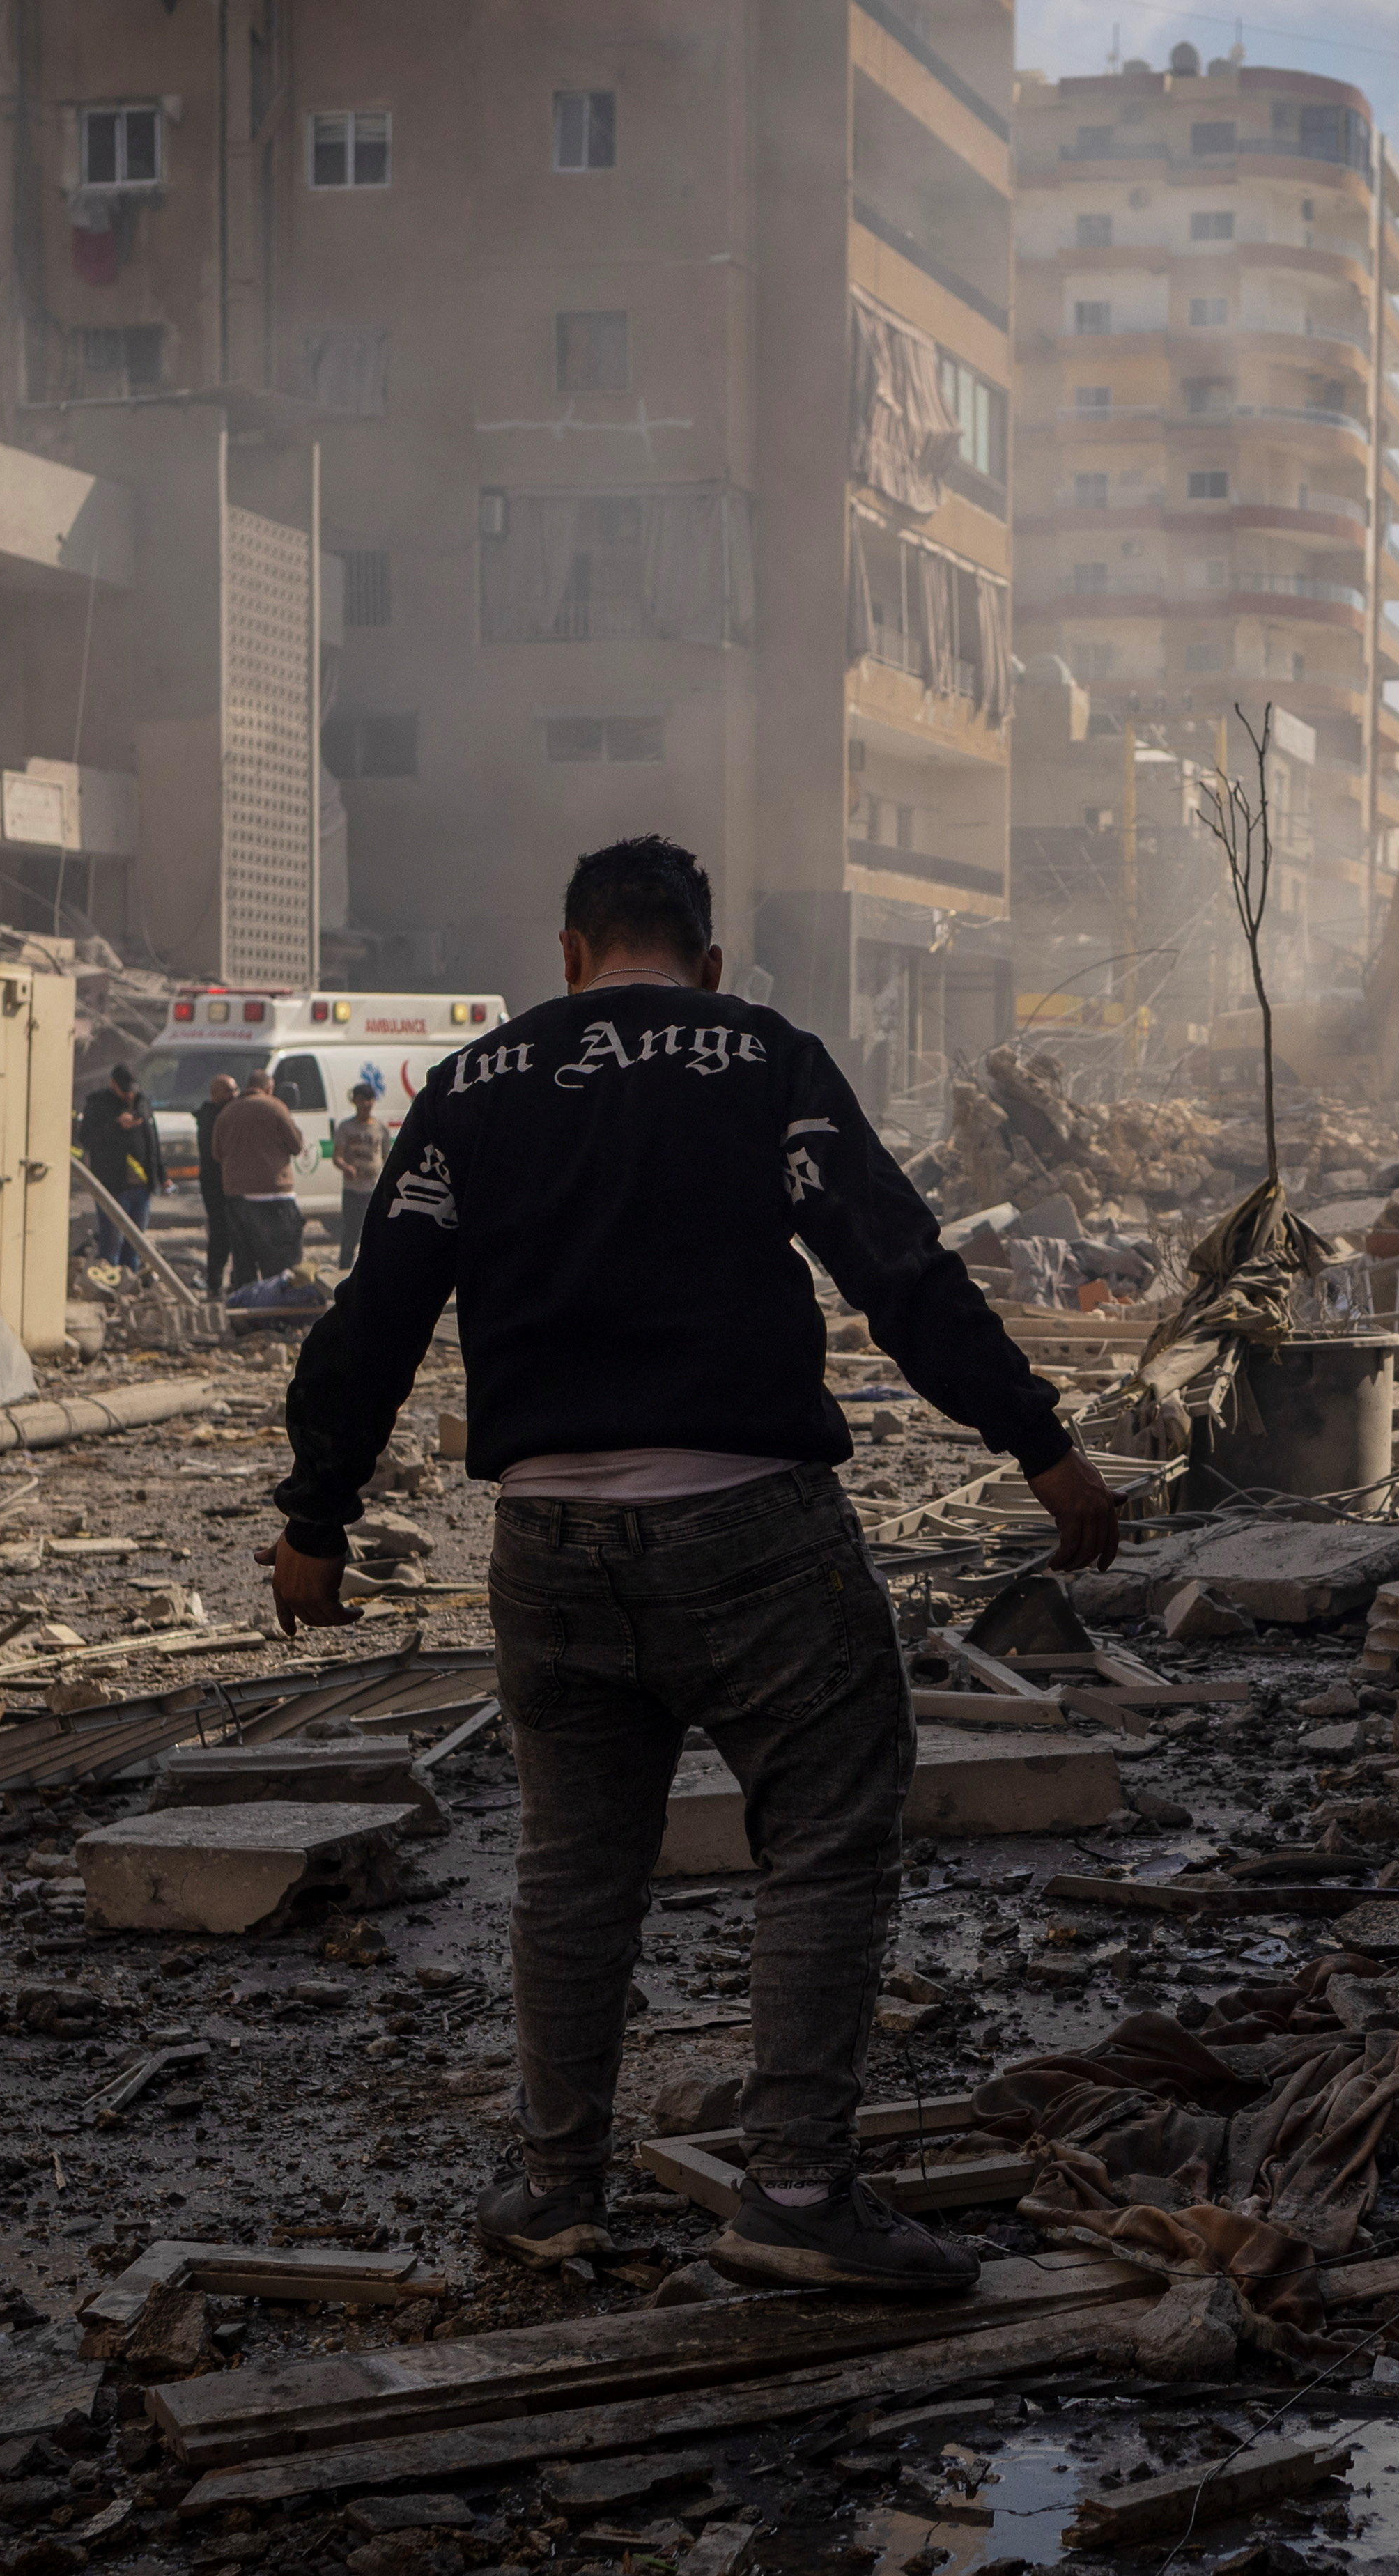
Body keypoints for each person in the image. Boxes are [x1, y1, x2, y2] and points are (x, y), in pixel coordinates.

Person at [263, 834, 1119, 2294]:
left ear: (570, 951)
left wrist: (315, 1515)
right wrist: (1034, 1439)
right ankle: (791, 2188)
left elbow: (376, 1314)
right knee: (830, 1822)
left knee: (574, 1865)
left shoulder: (471, 1086)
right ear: (706, 960)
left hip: (544, 1543)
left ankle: (551, 2188)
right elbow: (893, 1262)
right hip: (752, 1529)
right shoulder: (759, 1053)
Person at [208, 1070, 309, 1297]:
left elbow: (217, 1153)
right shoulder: (274, 1107)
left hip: (238, 1198)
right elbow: (295, 1146)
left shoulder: (227, 1112)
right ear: (269, 1088)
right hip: (274, 1196)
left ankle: (247, 1315)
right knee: (282, 1265)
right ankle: (279, 1314)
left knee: (244, 1264)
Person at [76, 1066, 164, 1268]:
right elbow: (87, 1139)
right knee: (111, 1243)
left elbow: (153, 1141)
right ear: (113, 1084)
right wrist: (116, 1126)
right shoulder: (98, 1104)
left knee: (135, 1243)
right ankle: (110, 1284)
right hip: (113, 1185)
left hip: (141, 1187)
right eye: (124, 1090)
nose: (129, 1095)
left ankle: (129, 1282)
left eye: (132, 1090)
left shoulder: (142, 1102)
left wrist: (161, 1173)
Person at [192, 1075, 243, 1299]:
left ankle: (236, 1282)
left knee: (240, 1235)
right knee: (220, 1236)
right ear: (215, 1095)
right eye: (228, 1092)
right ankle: (215, 1284)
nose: (233, 1096)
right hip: (216, 1186)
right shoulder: (210, 1118)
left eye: (235, 1090)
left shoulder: (229, 1113)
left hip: (232, 1184)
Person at [332, 1078, 388, 1270]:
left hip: (373, 1190)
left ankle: (371, 1272)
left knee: (374, 1235)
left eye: (370, 1099)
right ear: (355, 1101)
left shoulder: (380, 1128)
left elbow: (387, 1157)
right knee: (350, 1235)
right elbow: (337, 1157)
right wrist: (346, 1167)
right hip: (353, 1191)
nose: (367, 1104)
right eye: (362, 1100)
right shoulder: (346, 1128)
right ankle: (343, 1272)